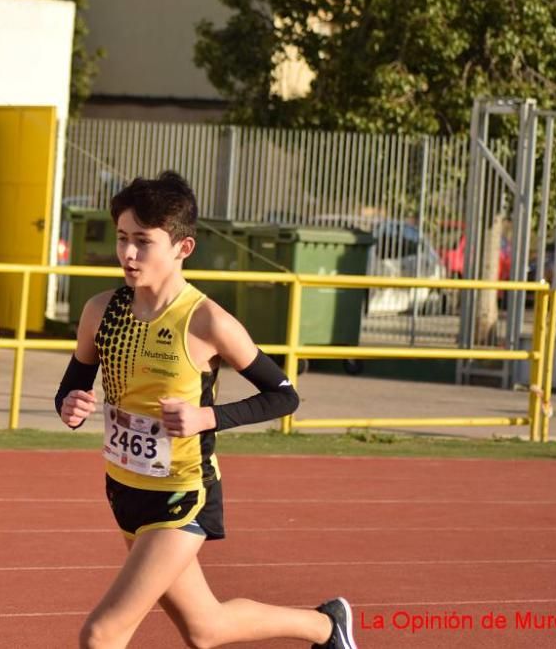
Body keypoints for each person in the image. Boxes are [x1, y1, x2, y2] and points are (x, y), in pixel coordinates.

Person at [55, 172, 357, 649]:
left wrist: (207, 418)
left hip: (182, 495)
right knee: (205, 629)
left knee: (101, 634)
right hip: (124, 489)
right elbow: (71, 388)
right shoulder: (101, 310)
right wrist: (70, 405)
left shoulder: (206, 320)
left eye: (143, 243)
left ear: (183, 248)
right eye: (122, 239)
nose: (128, 255)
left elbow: (283, 395)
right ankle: (325, 626)